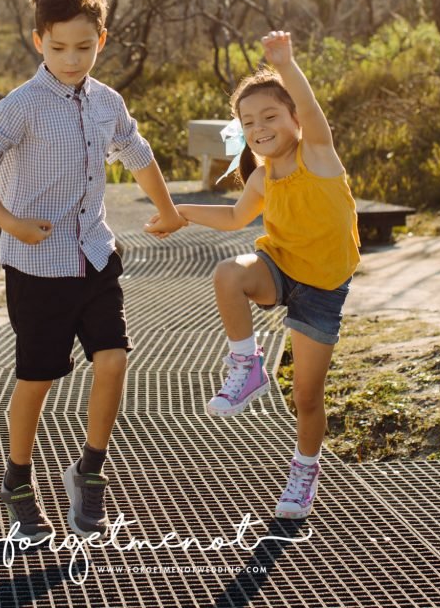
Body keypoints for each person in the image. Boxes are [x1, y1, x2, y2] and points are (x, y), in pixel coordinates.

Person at [0, 0, 185, 542]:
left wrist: (168, 209)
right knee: (38, 379)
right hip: (37, 267)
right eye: (59, 47)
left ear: (101, 39)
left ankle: (90, 470)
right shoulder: (22, 106)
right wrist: (9, 222)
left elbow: (136, 150)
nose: (72, 58)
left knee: (113, 361)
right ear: (39, 42)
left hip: (96, 254)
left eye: (83, 47)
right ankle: (18, 479)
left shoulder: (108, 102)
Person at [146, 30, 360, 519]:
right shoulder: (262, 177)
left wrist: (285, 64)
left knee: (307, 396)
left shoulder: (317, 155)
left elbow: (309, 107)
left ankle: (305, 471)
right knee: (227, 273)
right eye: (249, 122)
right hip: (279, 267)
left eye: (270, 116)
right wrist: (179, 212)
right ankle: (248, 367)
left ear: (292, 120)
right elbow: (235, 219)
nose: (260, 127)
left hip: (323, 288)